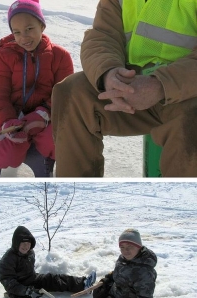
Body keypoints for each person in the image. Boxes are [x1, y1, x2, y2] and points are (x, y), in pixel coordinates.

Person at [52, 0, 197, 177]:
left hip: (187, 90)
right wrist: (108, 74)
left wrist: (161, 85)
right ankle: (75, 196)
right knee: (73, 93)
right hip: (132, 84)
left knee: (191, 123)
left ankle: (178, 203)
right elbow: (103, 34)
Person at [0, 0, 73, 177]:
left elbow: (64, 93)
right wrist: (7, 120)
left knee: (62, 144)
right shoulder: (5, 56)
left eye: (29, 29)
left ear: (42, 26)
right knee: (9, 152)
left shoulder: (61, 56)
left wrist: (43, 114)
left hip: (47, 118)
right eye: (17, 32)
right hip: (12, 120)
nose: (24, 37)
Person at [0, 226, 96, 298]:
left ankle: (82, 284)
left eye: (28, 243)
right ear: (16, 243)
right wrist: (26, 291)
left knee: (53, 279)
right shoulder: (7, 261)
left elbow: (30, 272)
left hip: (31, 279)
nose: (26, 246)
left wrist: (33, 284)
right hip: (17, 289)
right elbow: (8, 282)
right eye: (22, 243)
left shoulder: (29, 253)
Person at [93, 229, 157, 298]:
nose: (125, 251)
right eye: (122, 247)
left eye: (129, 247)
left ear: (138, 246)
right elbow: (119, 272)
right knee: (97, 293)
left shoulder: (144, 272)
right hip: (118, 289)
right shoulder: (124, 258)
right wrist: (107, 279)